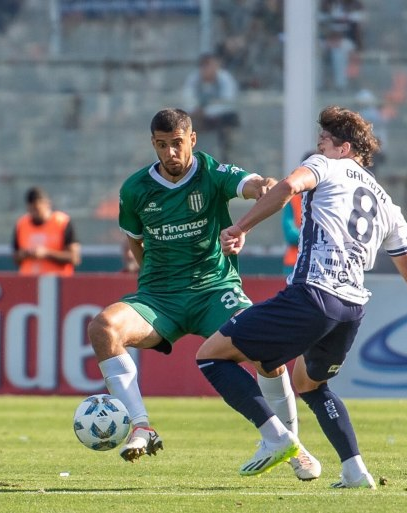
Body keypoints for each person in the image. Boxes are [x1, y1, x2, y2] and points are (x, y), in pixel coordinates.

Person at [196, 105, 407, 487]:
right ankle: (355, 470)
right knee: (309, 383)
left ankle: (277, 438)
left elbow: (288, 187)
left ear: (344, 147)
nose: (318, 148)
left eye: (323, 142)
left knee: (211, 357)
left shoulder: (325, 165)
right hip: (351, 309)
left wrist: (240, 226)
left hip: (313, 294)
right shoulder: (388, 206)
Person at [87, 108, 321, 481]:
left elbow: (253, 183)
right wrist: (152, 284)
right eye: (162, 146)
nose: (171, 154)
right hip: (159, 297)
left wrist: (262, 186)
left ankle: (292, 447)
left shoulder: (212, 173)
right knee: (103, 328)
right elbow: (135, 242)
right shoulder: (135, 190)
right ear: (154, 145)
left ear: (192, 139)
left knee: (269, 355)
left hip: (215, 291)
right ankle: (142, 427)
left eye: (177, 144)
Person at [181, 54, 240, 162]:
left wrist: (206, 111)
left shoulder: (225, 79)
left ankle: (225, 156)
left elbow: (227, 102)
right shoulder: (194, 79)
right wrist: (195, 110)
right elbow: (187, 98)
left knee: (226, 122)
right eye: (205, 66)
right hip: (200, 115)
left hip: (222, 116)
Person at [12, 186, 81, 276]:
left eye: (37, 209)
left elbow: (74, 258)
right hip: (28, 282)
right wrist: (26, 254)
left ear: (47, 204)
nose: (34, 213)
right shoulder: (22, 224)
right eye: (31, 210)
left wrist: (46, 253)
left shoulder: (62, 222)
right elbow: (16, 256)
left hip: (58, 283)